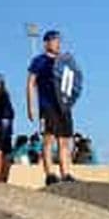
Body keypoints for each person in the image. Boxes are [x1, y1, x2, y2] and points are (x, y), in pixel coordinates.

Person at [27, 29, 75, 185]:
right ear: (46, 42)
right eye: (54, 40)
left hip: (64, 106)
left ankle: (66, 172)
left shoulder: (64, 61)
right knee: (48, 139)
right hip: (47, 105)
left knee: (65, 141)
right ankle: (50, 173)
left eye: (59, 40)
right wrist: (31, 106)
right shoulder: (39, 60)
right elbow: (30, 83)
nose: (57, 43)